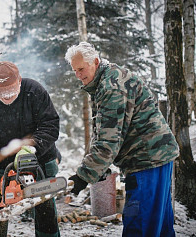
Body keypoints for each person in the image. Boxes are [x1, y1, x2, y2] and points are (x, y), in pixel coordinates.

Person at [64, 42, 179, 237]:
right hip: (156, 156)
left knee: (139, 224)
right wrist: (100, 167)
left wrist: (84, 176)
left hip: (146, 160)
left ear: (96, 62)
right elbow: (106, 132)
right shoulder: (107, 79)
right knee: (160, 226)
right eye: (75, 71)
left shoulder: (111, 87)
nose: (78, 75)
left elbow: (108, 142)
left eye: (81, 69)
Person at [0, 61, 61, 237]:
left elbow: (50, 125)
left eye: (10, 93)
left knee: (45, 208)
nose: (6, 98)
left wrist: (32, 146)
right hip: (2, 162)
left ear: (19, 81)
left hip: (40, 156)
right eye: (2, 94)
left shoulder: (34, 92)